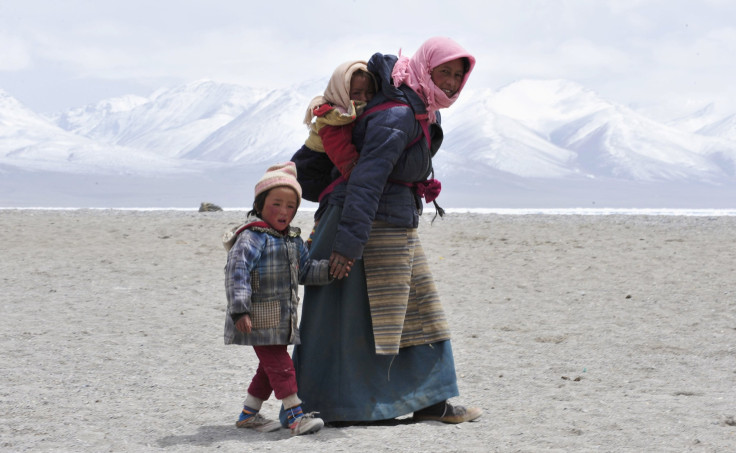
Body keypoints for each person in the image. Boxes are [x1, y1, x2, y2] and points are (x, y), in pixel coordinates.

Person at [283, 37, 482, 426]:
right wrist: (347, 246)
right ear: (427, 68)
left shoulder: (423, 108)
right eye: (446, 72)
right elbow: (366, 180)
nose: (454, 82)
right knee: (347, 319)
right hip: (361, 222)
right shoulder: (399, 115)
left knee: (416, 311)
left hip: (391, 221)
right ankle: (338, 408)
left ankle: (430, 401)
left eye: (459, 75)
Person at [222, 162, 349, 435]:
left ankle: (248, 415)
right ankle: (295, 417)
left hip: (282, 319)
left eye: (290, 206)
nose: (283, 211)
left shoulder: (292, 239)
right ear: (259, 204)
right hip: (255, 318)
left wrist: (329, 271)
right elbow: (237, 273)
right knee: (282, 367)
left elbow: (305, 271)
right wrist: (239, 310)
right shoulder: (252, 238)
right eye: (276, 204)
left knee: (268, 370)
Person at [291, 60, 376, 205]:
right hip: (310, 170)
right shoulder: (336, 117)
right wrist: (361, 178)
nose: (364, 98)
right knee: (337, 199)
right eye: (356, 93)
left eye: (369, 92)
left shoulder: (352, 111)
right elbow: (342, 152)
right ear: (341, 92)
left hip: (323, 166)